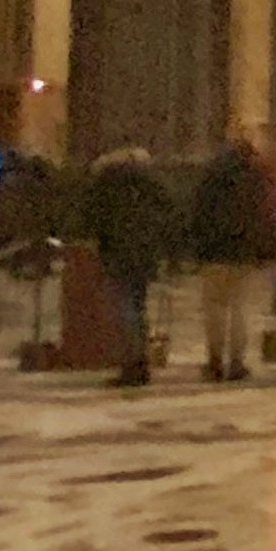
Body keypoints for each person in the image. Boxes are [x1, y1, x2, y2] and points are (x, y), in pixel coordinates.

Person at [79, 145, 176, 387]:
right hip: (145, 252)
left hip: (118, 252)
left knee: (124, 307)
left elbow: (95, 218)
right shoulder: (152, 182)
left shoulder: (108, 183)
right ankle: (141, 360)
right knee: (138, 306)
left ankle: (132, 362)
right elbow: (167, 212)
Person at [190, 134, 276, 383]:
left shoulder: (211, 176)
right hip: (245, 252)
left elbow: (198, 213)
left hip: (214, 252)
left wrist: (195, 247)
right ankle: (237, 362)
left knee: (214, 307)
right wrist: (269, 250)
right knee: (240, 307)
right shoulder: (258, 177)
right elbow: (269, 215)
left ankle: (215, 360)